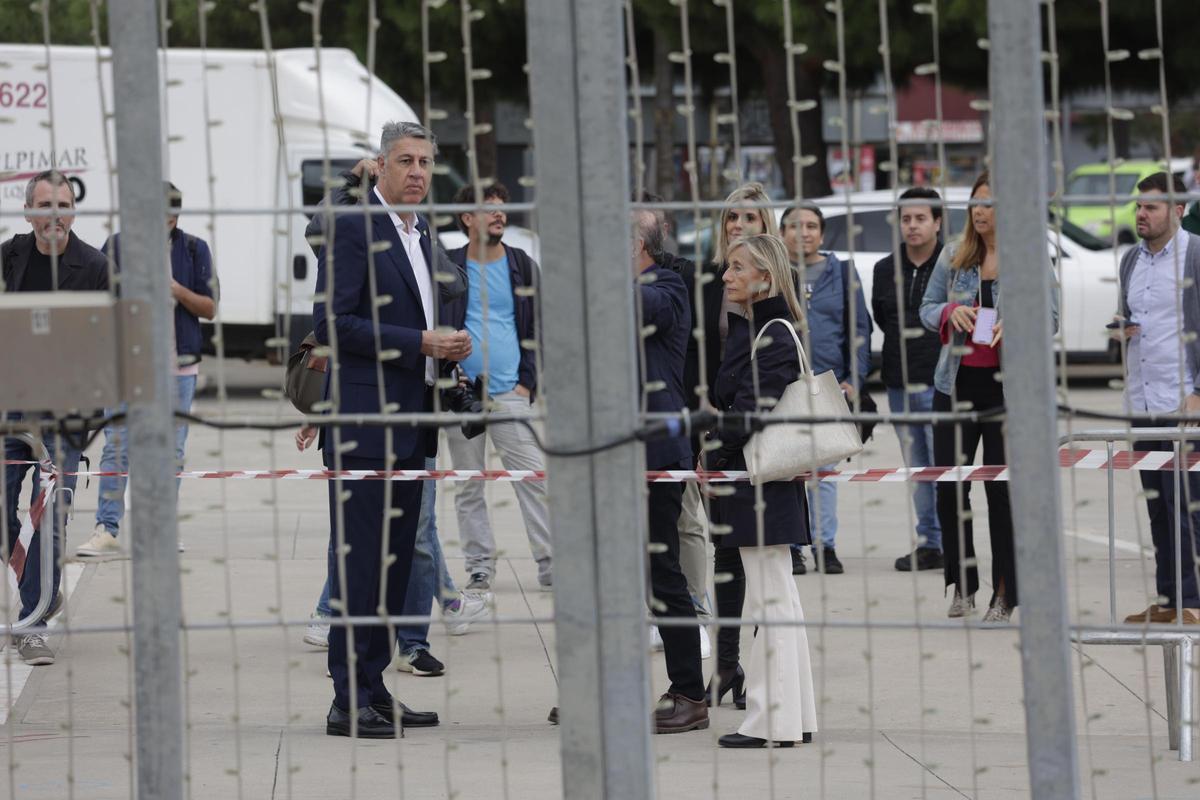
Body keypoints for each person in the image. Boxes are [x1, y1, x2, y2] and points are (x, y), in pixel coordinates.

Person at [313, 121, 468, 738]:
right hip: (363, 426)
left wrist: (449, 346)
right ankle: (346, 699)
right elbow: (332, 323)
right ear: (379, 167)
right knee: (359, 566)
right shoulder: (354, 228)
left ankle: (373, 688)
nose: (417, 173)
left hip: (415, 420)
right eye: (405, 161)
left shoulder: (422, 231)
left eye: (426, 162)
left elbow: (428, 312)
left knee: (394, 564)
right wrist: (419, 343)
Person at [919, 171, 1057, 622]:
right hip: (954, 385)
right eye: (976, 203)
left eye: (991, 204)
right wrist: (950, 310)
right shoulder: (953, 257)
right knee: (949, 487)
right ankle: (963, 584)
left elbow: (1050, 317)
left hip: (1005, 391)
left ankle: (1005, 591)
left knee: (1001, 491)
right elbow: (925, 309)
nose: (981, 211)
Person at [706, 233, 818, 748]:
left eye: (737, 267)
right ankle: (795, 717)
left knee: (772, 602)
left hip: (759, 486)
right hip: (762, 485)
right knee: (780, 599)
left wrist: (710, 447)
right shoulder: (760, 328)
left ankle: (772, 721)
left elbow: (748, 413)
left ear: (765, 277)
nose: (726, 275)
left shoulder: (770, 333)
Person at [2, 169, 108, 665]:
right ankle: (38, 585)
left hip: (63, 416)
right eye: (44, 206)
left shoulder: (95, 266)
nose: (54, 216)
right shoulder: (8, 258)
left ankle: (33, 623)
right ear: (28, 213)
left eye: (62, 205)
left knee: (48, 521)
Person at [76, 182, 215, 559]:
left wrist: (174, 289)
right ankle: (106, 528)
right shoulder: (117, 246)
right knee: (116, 450)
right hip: (127, 365)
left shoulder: (193, 249)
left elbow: (210, 307)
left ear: (173, 216)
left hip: (178, 369)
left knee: (171, 453)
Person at [443, 182, 553, 592]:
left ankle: (549, 563)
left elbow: (538, 327)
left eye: (502, 209)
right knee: (469, 484)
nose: (499, 215)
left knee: (532, 477)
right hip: (462, 396)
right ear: (467, 218)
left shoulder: (522, 265)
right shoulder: (450, 265)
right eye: (489, 209)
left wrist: (528, 383)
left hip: (511, 394)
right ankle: (479, 568)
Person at [700, 182, 778, 708]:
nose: (738, 226)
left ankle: (772, 672)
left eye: (749, 217)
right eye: (730, 218)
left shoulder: (777, 293)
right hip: (716, 431)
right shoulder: (713, 282)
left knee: (766, 560)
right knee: (724, 552)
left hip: (763, 437)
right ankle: (727, 664)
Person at [632, 209, 708, 734]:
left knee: (663, 575)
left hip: (656, 455)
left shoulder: (666, 286)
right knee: (606, 577)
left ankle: (690, 692)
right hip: (608, 454)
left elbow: (638, 308)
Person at [1115, 172, 1200, 625]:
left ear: (1179, 210)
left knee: (1187, 506)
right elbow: (1133, 315)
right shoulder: (1132, 259)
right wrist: (1122, 326)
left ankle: (1194, 603)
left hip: (1184, 403)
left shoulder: (1195, 256)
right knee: (1157, 505)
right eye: (1139, 207)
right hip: (1142, 400)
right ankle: (1169, 599)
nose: (1142, 214)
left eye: (1152, 207)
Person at [780, 203, 871, 575]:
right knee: (786, 470)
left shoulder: (843, 271)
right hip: (784, 385)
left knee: (826, 472)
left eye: (812, 225)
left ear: (821, 231)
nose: (803, 232)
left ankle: (825, 545)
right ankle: (793, 546)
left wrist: (855, 379)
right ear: (782, 232)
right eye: (794, 226)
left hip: (830, 386)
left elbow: (859, 330)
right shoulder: (772, 271)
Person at [870, 188, 945, 572]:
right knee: (917, 469)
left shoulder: (953, 265)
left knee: (945, 465)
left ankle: (952, 541)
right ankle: (930, 542)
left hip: (941, 384)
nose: (912, 226)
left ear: (937, 222)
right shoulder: (886, 268)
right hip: (899, 382)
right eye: (905, 219)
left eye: (920, 218)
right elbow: (882, 319)